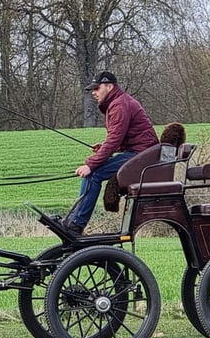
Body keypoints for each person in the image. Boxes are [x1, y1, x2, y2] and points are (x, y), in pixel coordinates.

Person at [58, 71, 158, 235]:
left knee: (93, 174)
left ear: (110, 86)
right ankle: (73, 222)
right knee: (94, 172)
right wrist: (104, 147)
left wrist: (90, 164)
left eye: (97, 88)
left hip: (143, 156)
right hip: (140, 152)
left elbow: (115, 139)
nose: (94, 93)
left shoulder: (119, 105)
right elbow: (123, 139)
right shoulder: (118, 103)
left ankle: (76, 225)